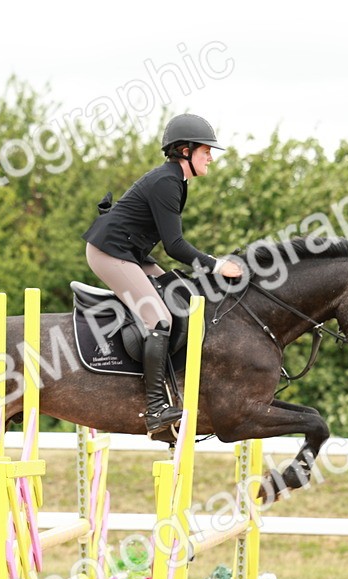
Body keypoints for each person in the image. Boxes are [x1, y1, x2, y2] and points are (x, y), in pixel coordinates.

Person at [82, 113, 242, 438]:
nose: (211, 156)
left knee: (178, 294)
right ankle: (155, 409)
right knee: (159, 319)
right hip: (109, 252)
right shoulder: (168, 182)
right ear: (185, 150)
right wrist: (216, 265)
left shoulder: (175, 181)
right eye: (205, 150)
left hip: (130, 253)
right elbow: (176, 246)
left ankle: (173, 385)